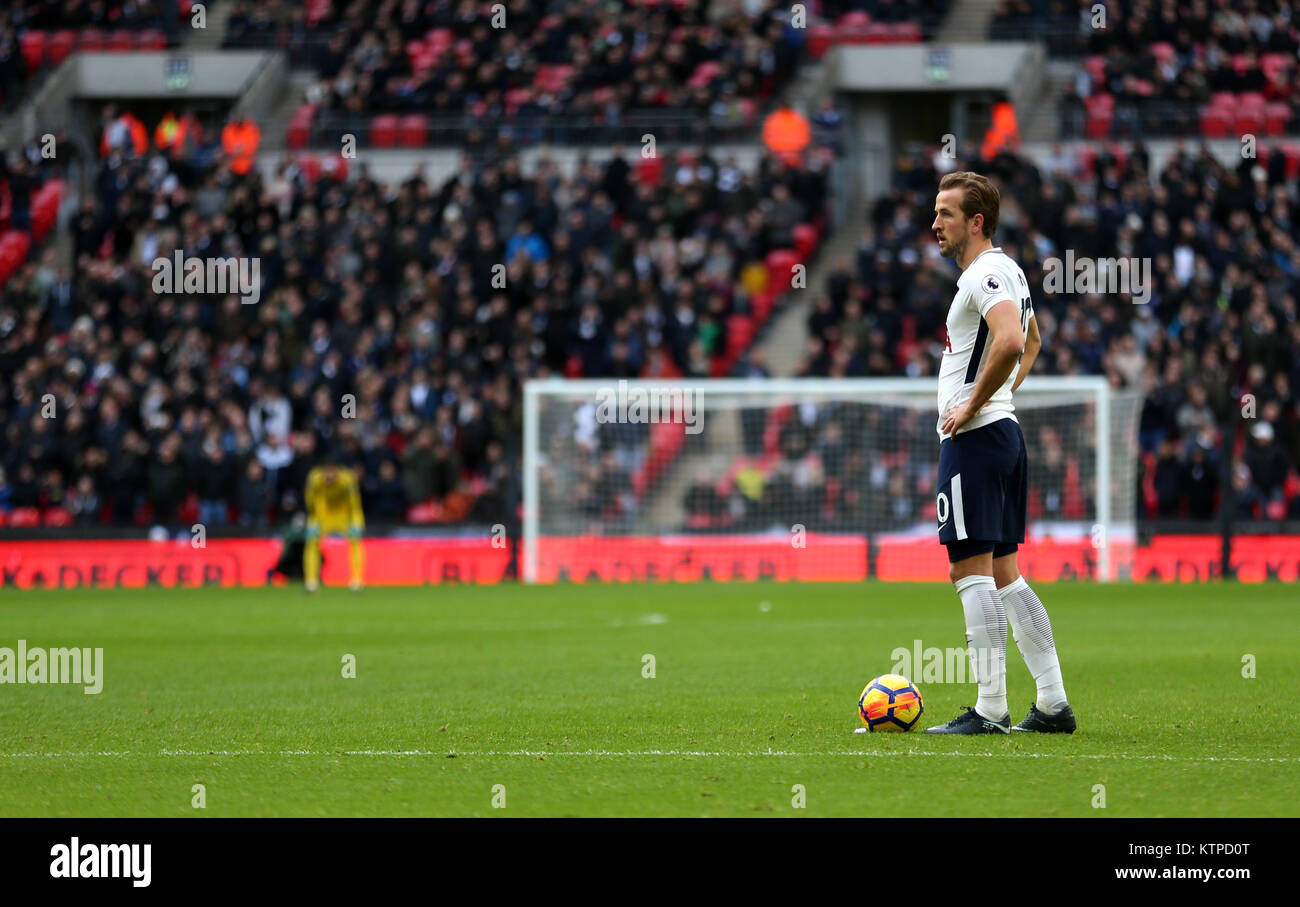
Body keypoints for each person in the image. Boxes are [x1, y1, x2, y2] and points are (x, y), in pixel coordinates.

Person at [924, 170, 1076, 735]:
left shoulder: (984, 273)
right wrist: (1003, 397)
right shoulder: (1008, 269)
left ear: (975, 221)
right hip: (1002, 434)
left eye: (945, 213)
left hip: (976, 439)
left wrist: (970, 407)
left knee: (969, 571)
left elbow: (1012, 340)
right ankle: (1054, 702)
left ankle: (990, 709)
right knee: (1006, 573)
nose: (935, 223)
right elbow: (1032, 341)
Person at [303, 461, 364, 592]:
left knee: (355, 542)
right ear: (322, 471)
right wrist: (312, 518)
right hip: (323, 516)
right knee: (311, 543)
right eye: (326, 472)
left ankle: (356, 580)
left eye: (332, 472)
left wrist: (357, 520)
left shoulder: (347, 479)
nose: (329, 476)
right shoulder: (314, 479)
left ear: (338, 471)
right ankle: (311, 581)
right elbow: (310, 500)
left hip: (344, 517)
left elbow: (355, 502)